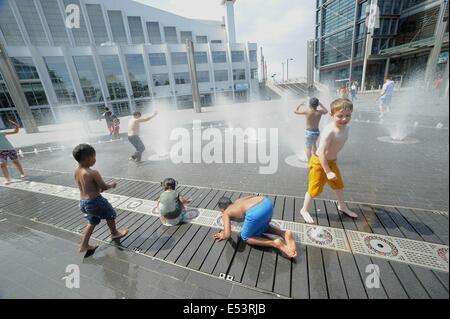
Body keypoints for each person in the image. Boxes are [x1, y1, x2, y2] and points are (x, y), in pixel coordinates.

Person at [299, 98, 358, 224]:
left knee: (339, 185)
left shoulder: (346, 128)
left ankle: (342, 206)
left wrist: (331, 165)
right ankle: (304, 210)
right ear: (332, 115)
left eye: (348, 115)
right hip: (320, 164)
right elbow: (320, 152)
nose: (344, 119)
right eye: (340, 116)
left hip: (331, 162)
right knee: (313, 189)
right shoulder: (329, 131)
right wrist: (327, 172)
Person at [73, 144, 128, 254]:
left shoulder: (77, 171)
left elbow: (87, 186)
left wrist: (97, 189)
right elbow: (104, 187)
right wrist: (111, 185)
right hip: (95, 202)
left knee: (92, 221)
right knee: (110, 214)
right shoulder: (93, 173)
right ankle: (114, 233)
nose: (95, 159)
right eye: (94, 157)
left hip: (83, 203)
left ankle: (84, 245)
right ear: (89, 158)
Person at [214, 196, 297, 259]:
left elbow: (228, 235)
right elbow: (252, 196)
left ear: (222, 210)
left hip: (255, 212)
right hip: (266, 202)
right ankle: (284, 233)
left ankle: (275, 243)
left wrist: (223, 235)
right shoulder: (238, 200)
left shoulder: (226, 213)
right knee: (261, 226)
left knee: (245, 237)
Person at [294, 97, 329, 162]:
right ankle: (315, 159)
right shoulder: (320, 112)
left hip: (309, 132)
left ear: (309, 105)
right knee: (314, 144)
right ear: (317, 105)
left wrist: (300, 105)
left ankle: (309, 161)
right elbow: (326, 111)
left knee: (308, 147)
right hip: (316, 132)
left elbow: (295, 111)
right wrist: (320, 104)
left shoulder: (307, 111)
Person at [0, 120, 26, 185]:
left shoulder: (1, 133)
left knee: (16, 162)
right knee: (2, 164)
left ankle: (22, 174)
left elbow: (15, 131)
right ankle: (8, 179)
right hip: (1, 152)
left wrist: (16, 126)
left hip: (10, 149)